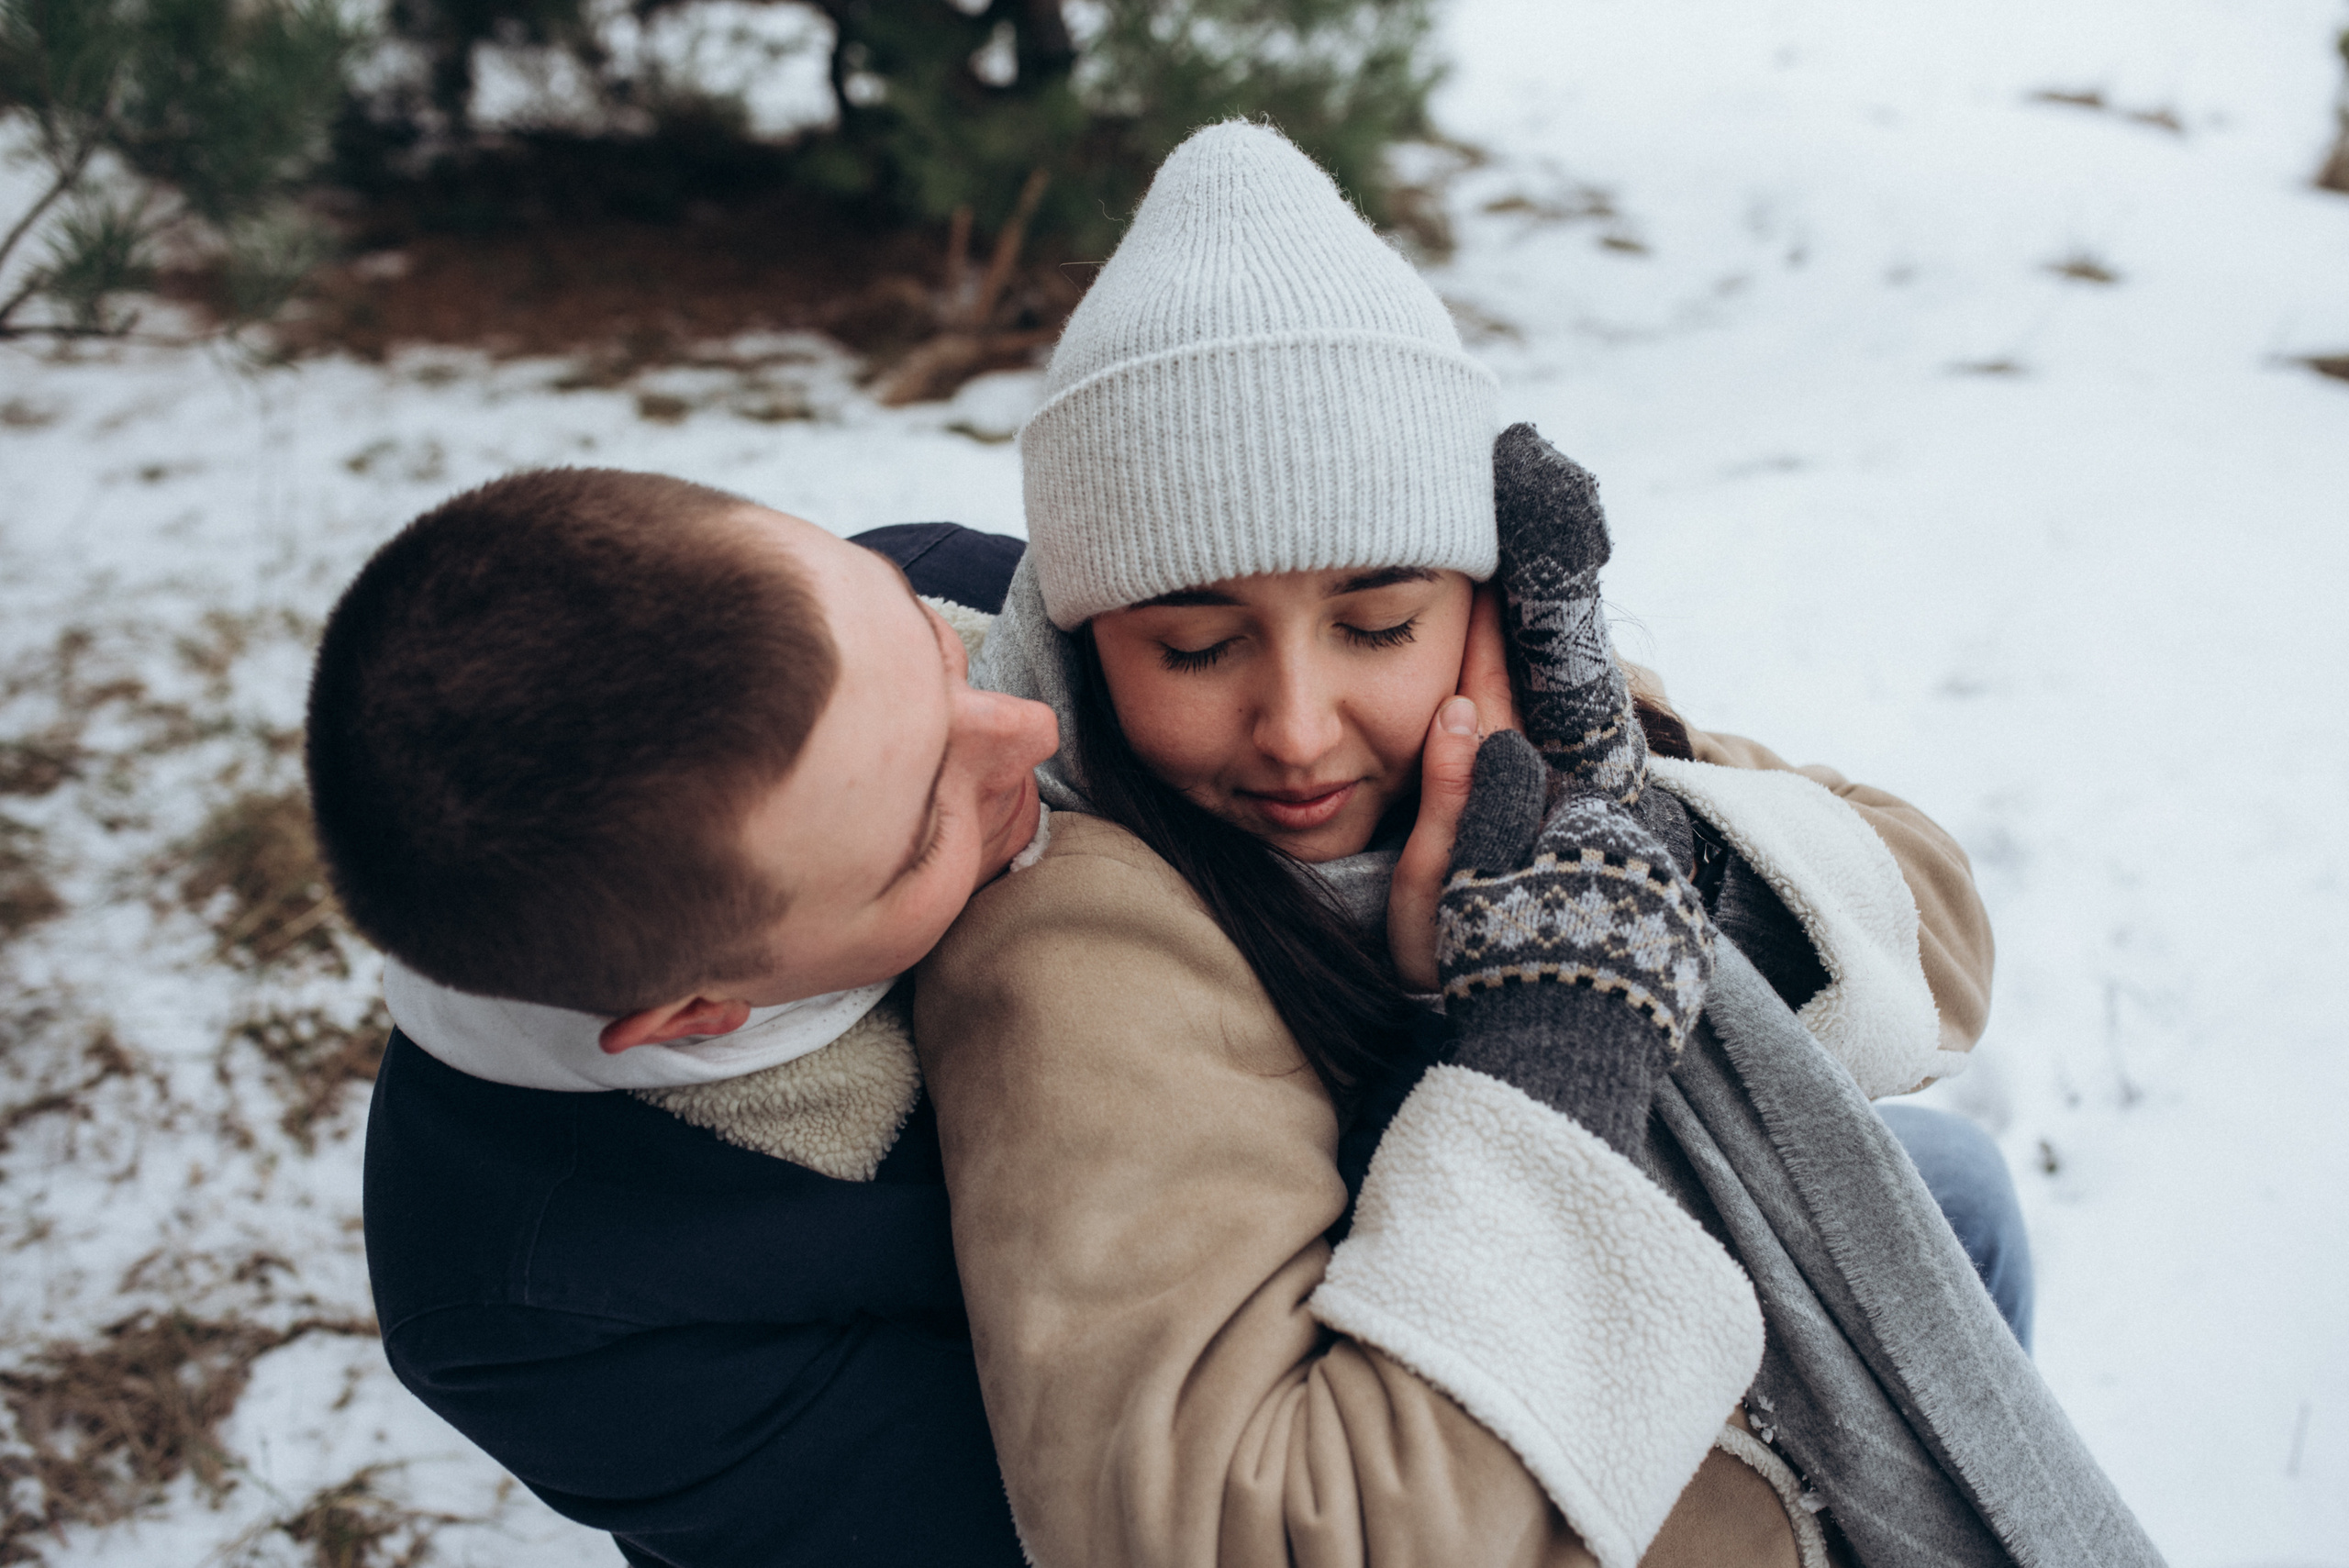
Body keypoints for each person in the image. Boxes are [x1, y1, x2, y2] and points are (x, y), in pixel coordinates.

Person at [910, 122, 2151, 1567]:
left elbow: (1938, 936)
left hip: (1660, 1402)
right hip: (1534, 1475)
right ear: (1083, 637)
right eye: (1196, 645)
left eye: (1376, 622)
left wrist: (1638, 823)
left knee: (1957, 1193)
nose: (1300, 727)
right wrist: (1543, 1040)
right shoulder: (1083, 920)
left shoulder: (1525, 741)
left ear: (1480, 599)